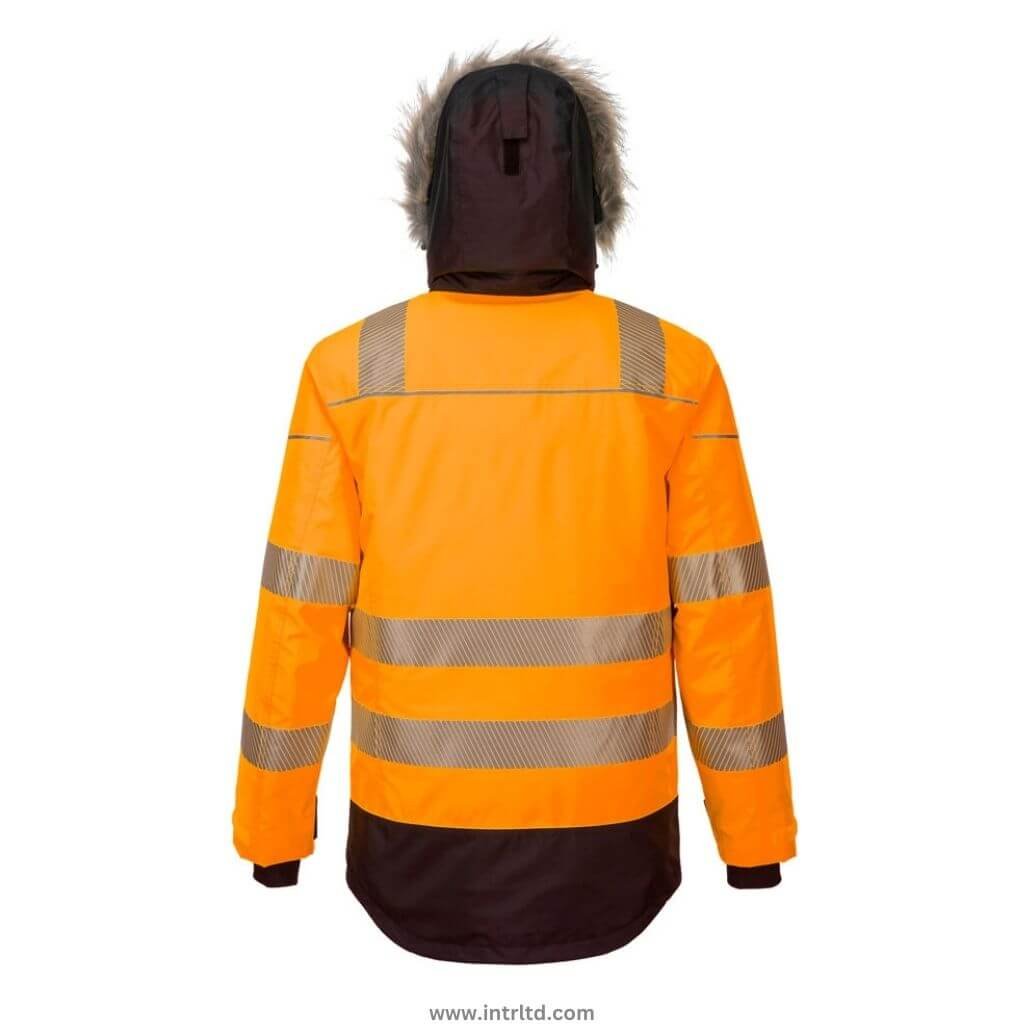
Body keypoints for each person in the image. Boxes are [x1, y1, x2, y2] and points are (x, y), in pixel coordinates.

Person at [232, 42, 797, 964]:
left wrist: (272, 836)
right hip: (615, 852)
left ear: (431, 195)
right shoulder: (669, 368)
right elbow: (725, 622)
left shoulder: (351, 370)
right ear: (596, 194)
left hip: (412, 850)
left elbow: (299, 620)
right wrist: (755, 840)